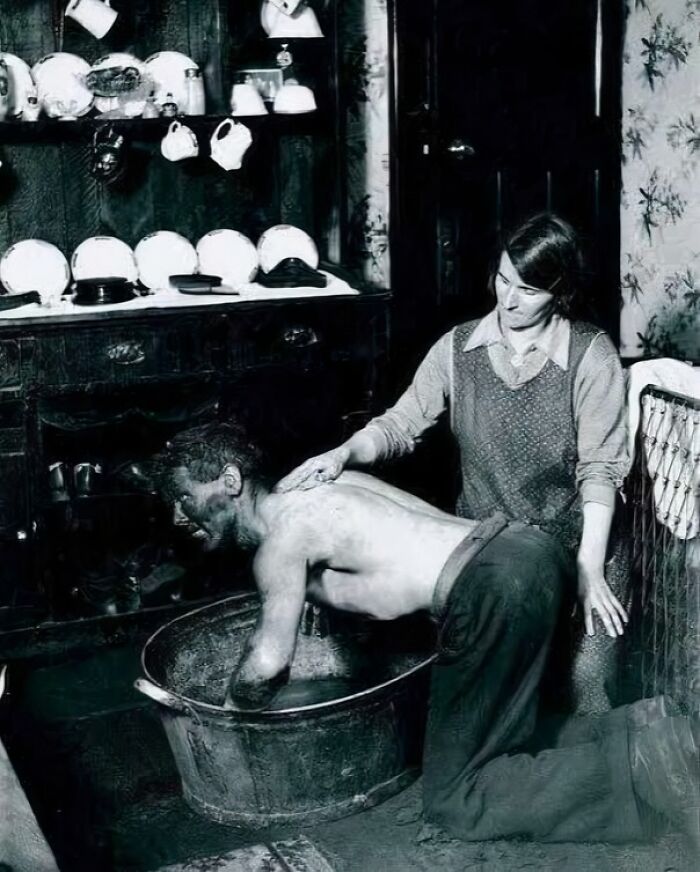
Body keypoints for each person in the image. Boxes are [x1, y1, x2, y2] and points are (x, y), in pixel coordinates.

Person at [156, 421, 699, 850]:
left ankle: (647, 764)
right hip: (523, 549)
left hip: (491, 585)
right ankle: (647, 725)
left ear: (229, 482)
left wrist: (224, 719)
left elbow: (268, 664)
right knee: (499, 737)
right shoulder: (324, 481)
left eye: (184, 497)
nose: (178, 516)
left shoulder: (279, 546)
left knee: (457, 794)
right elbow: (405, 548)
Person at [275, 213, 630, 649]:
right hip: (483, 547)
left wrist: (589, 569)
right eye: (502, 280)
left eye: (529, 290)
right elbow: (400, 424)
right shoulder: (456, 348)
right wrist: (342, 454)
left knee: (587, 686)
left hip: (575, 544)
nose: (509, 300)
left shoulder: (591, 355)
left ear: (560, 293)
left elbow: (599, 470)